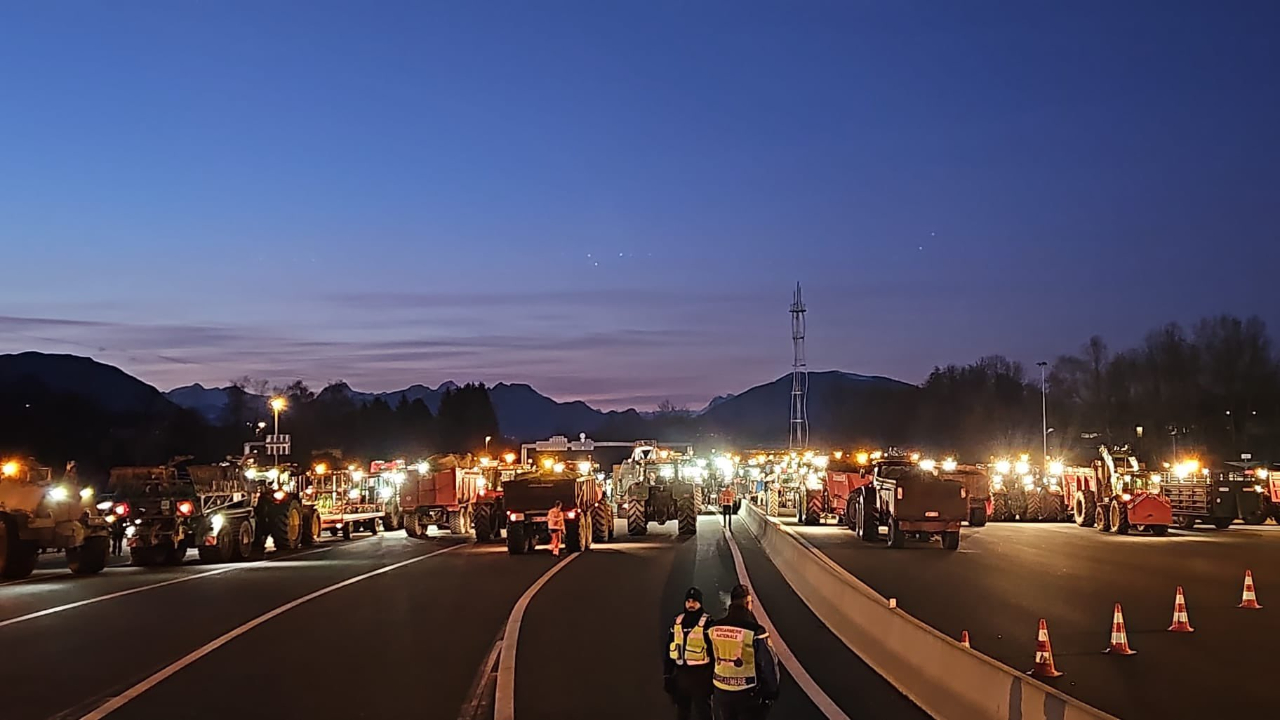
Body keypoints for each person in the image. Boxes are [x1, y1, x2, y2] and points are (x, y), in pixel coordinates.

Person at [707, 584, 779, 720]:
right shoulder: (755, 631)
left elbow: (711, 657)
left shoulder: (714, 628)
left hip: (722, 691)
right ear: (747, 603)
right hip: (748, 693)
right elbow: (767, 664)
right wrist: (771, 693)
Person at [664, 587, 713, 720]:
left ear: (700, 603)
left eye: (694, 602)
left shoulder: (707, 623)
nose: (691, 604)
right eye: (688, 601)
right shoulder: (677, 621)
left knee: (704, 713)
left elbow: (713, 652)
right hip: (681, 676)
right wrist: (667, 675)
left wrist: (711, 678)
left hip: (701, 677)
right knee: (682, 714)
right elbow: (669, 648)